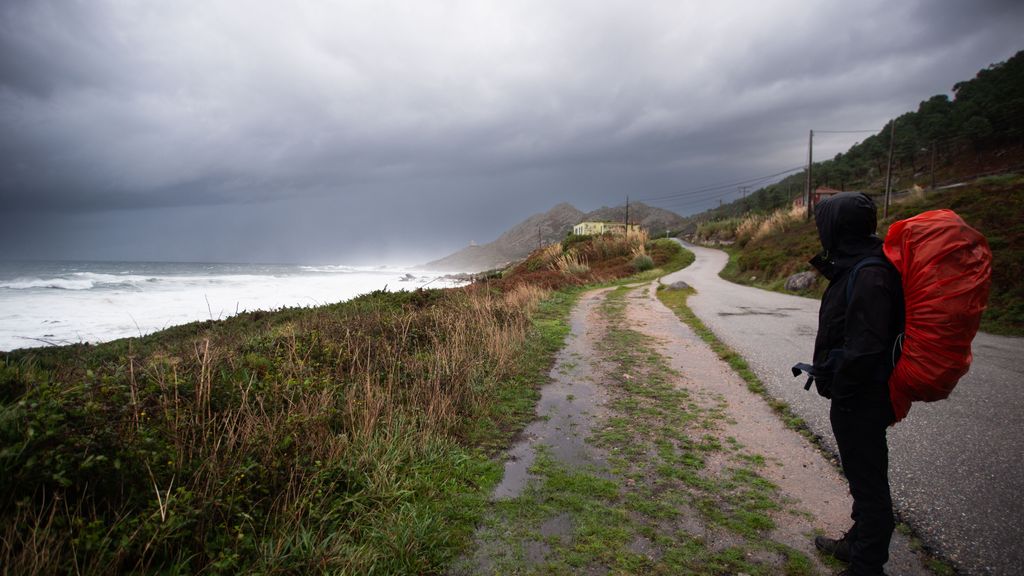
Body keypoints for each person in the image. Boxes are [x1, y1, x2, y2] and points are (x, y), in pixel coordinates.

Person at [807, 192, 903, 576]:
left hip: (862, 395)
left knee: (868, 480)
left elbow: (866, 347)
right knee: (862, 471)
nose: (819, 231)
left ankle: (867, 565)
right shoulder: (861, 265)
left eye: (823, 224)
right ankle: (857, 544)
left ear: (838, 227)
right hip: (859, 393)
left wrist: (843, 387)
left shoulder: (870, 273)